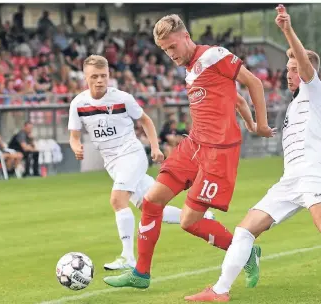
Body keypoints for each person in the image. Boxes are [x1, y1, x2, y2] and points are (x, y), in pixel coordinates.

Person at [185, 5, 321, 302]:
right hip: (291, 178)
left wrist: (287, 31)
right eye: (287, 70)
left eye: (293, 70)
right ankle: (220, 290)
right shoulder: (294, 104)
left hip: (313, 171)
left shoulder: (316, 89)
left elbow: (304, 64)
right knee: (244, 230)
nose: (288, 74)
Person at [103, 14, 275, 289]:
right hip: (193, 145)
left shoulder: (214, 55)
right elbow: (236, 98)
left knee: (188, 221)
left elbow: (252, 83)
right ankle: (141, 274)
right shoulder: (191, 68)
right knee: (151, 201)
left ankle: (245, 253)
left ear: (186, 37)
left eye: (172, 47)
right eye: (164, 50)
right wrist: (249, 121)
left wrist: (261, 125)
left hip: (218, 153)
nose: (170, 54)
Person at [68, 55, 214, 271]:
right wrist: (76, 146)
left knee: (118, 200)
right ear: (85, 77)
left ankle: (127, 257)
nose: (100, 80)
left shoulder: (122, 98)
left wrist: (155, 148)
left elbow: (145, 120)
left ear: (109, 76)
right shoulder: (78, 103)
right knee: (150, 207)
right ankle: (203, 217)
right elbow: (74, 135)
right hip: (112, 164)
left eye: (104, 76)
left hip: (131, 155)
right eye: (94, 76)